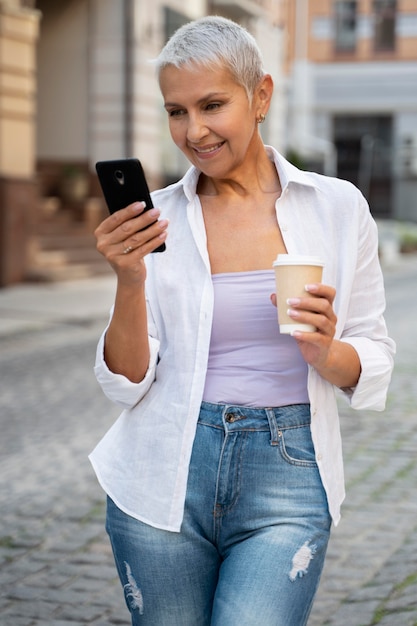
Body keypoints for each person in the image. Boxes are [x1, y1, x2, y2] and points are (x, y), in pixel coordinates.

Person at [89, 15, 395, 626]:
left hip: (289, 474)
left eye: (211, 105)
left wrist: (324, 350)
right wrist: (130, 279)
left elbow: (373, 351)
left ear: (260, 96)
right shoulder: (161, 221)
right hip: (165, 472)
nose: (193, 131)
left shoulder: (336, 207)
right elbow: (126, 381)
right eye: (176, 111)